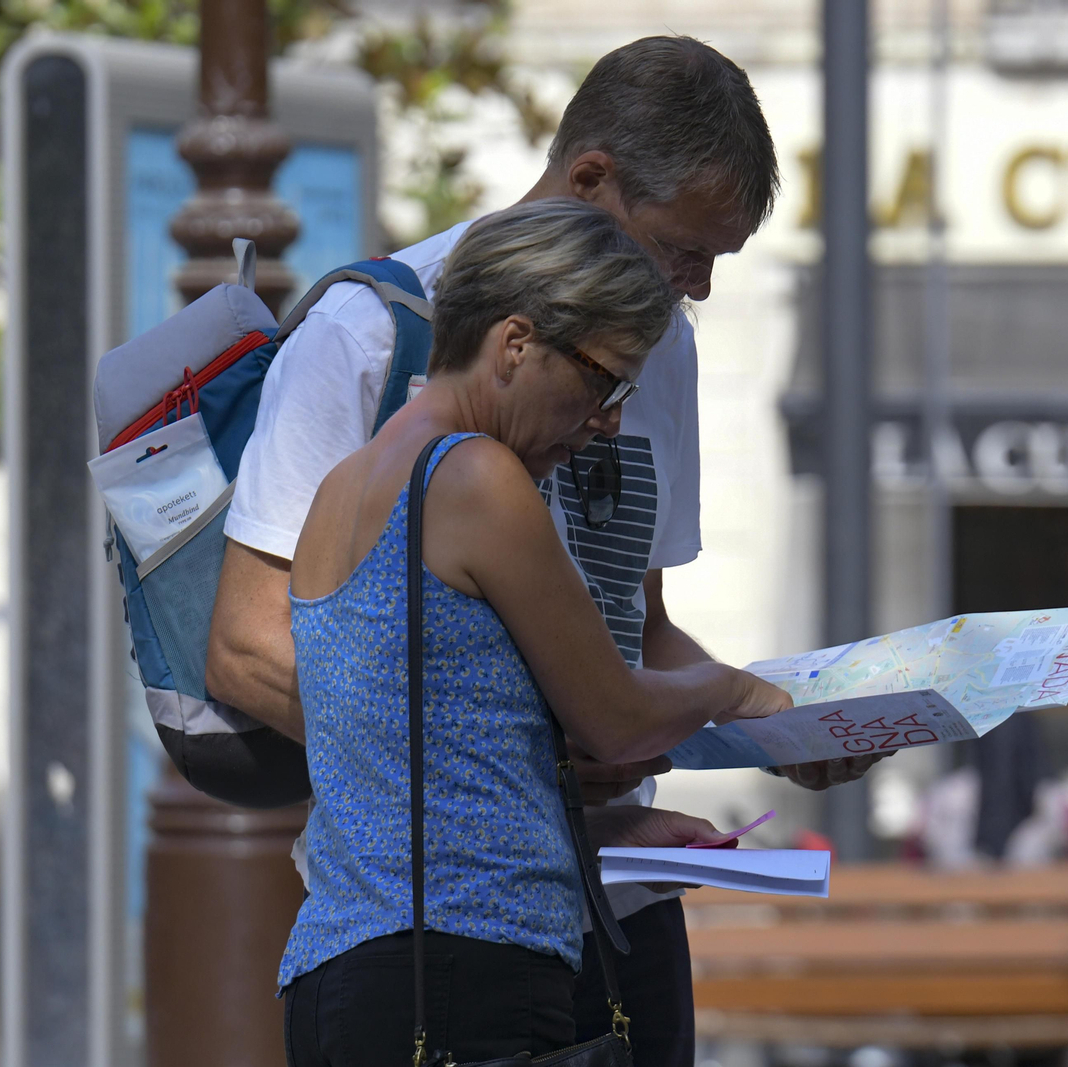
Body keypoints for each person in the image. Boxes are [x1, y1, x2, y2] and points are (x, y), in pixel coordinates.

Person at [209, 35, 880, 1064]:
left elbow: (634, 631)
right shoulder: (371, 338)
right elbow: (251, 647)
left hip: (595, 890)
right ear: (589, 180)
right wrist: (548, 760)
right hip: (457, 922)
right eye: (678, 247)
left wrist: (791, 729)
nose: (692, 288)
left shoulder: (653, 345)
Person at [278, 199, 792, 1064]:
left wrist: (608, 834)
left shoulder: (346, 485)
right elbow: (617, 719)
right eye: (601, 379)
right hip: (465, 976)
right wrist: (736, 690)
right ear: (515, 342)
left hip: (344, 975)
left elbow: (419, 784)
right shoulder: (475, 474)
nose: (609, 419)